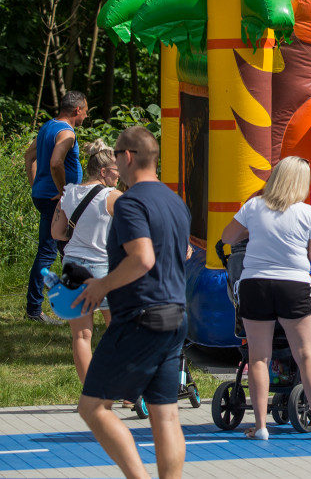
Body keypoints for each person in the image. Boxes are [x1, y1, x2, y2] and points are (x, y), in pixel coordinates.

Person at [73, 126, 190, 479]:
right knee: (165, 413)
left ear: (127, 157)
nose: (113, 163)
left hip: (141, 317)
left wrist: (101, 286)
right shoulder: (176, 202)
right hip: (176, 315)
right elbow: (180, 255)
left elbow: (142, 258)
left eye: (115, 155)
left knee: (92, 407)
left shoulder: (130, 202)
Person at [221, 155, 311, 440]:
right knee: (306, 354)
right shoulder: (307, 213)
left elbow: (227, 237)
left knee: (259, 357)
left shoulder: (254, 206)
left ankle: (260, 427)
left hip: (255, 284)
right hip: (292, 285)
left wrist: (253, 229)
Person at [50, 140, 121, 384]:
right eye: (116, 170)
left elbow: (57, 234)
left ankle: (91, 394)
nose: (119, 174)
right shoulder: (113, 197)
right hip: (103, 269)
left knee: (81, 335)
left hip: (72, 267)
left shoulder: (67, 194)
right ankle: (124, 392)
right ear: (103, 172)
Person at [24, 90, 88, 323]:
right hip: (56, 200)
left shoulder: (47, 127)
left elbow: (28, 156)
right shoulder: (66, 133)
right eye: (86, 112)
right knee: (50, 251)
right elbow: (55, 162)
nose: (86, 117)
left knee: (68, 248)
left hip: (44, 196)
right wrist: (63, 193)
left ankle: (75, 299)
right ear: (77, 110)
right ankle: (34, 309)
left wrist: (36, 186)